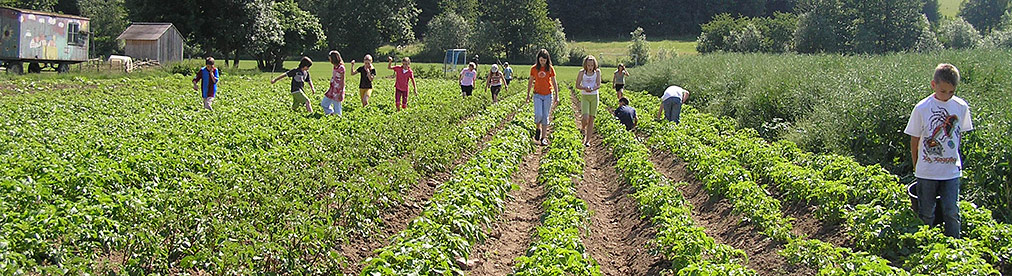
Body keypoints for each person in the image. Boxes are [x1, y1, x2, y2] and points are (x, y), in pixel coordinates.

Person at [904, 63, 972, 239]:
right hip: (927, 171)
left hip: (951, 171)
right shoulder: (922, 108)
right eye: (943, 91)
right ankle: (925, 247)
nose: (947, 96)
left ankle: (955, 248)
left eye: (951, 92)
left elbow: (958, 137)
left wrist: (954, 158)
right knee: (926, 213)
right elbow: (915, 140)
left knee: (952, 211)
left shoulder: (961, 107)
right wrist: (917, 164)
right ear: (933, 85)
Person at [526, 49, 559, 146]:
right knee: (538, 115)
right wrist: (528, 95)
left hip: (548, 94)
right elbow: (530, 82)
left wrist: (557, 95)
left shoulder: (550, 68)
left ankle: (544, 138)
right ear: (538, 59)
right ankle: (537, 128)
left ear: (547, 60)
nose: (543, 62)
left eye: (544, 61)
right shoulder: (534, 69)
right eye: (541, 60)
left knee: (545, 117)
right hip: (537, 94)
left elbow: (554, 81)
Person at [575, 55, 602, 147]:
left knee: (591, 119)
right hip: (585, 96)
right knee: (585, 117)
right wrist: (584, 88)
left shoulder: (597, 72)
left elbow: (598, 84)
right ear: (585, 65)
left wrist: (593, 88)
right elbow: (577, 85)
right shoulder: (582, 72)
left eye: (591, 65)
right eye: (588, 65)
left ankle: (587, 141)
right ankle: (582, 128)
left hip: (594, 96)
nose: (590, 67)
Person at [321, 50, 346, 116]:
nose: (329, 59)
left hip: (338, 89)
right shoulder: (335, 66)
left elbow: (342, 80)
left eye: (330, 58)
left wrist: (341, 92)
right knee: (324, 103)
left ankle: (338, 119)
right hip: (332, 88)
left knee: (337, 106)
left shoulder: (341, 68)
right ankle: (331, 113)